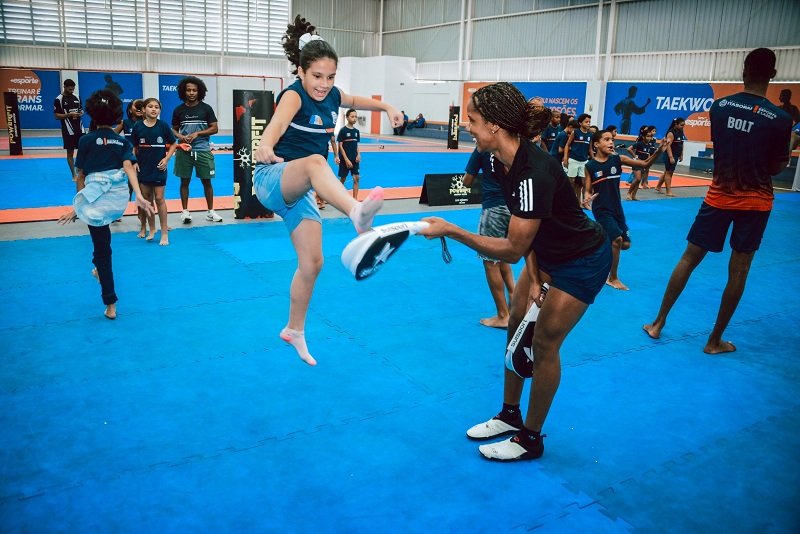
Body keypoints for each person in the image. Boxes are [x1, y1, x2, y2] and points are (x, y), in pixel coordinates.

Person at [419, 82, 611, 461]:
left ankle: (531, 439)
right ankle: (509, 415)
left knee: (544, 344)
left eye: (472, 120)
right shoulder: (496, 160)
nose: (468, 127)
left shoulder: (533, 172)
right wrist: (536, 277)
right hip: (546, 255)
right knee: (516, 325)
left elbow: (512, 248)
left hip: (582, 260)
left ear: (494, 125)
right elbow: (530, 234)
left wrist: (452, 230)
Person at [252, 15, 403, 367]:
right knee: (317, 162)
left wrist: (387, 106)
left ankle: (294, 329)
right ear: (301, 72)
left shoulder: (334, 96)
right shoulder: (294, 95)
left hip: (300, 192)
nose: (324, 84)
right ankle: (356, 212)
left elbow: (356, 100)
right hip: (272, 178)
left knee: (313, 263)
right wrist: (265, 144)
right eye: (317, 76)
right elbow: (276, 124)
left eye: (331, 77)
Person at [644, 48, 792, 354]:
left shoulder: (720, 107)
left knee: (688, 259)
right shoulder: (780, 118)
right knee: (739, 270)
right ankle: (714, 341)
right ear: (773, 75)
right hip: (756, 201)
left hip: (719, 195)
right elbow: (777, 167)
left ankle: (657, 323)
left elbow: (724, 145)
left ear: (744, 70)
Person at [57, 90, 154, 319]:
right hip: (117, 200)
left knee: (102, 249)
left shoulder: (86, 140)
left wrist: (79, 206)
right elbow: (129, 167)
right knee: (103, 249)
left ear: (92, 114)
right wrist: (139, 195)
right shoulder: (121, 141)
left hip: (95, 202)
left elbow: (81, 176)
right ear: (116, 116)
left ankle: (111, 304)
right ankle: (99, 271)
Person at [583, 129, 664, 290]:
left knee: (625, 244)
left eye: (612, 140)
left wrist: (659, 151)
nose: (611, 142)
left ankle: (597, 242)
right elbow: (587, 189)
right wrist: (586, 197)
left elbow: (645, 164)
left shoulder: (618, 159)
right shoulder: (590, 166)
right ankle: (612, 278)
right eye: (606, 139)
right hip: (602, 209)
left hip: (617, 208)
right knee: (617, 240)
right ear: (596, 144)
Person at [462, 149, 515, 329]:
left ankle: (503, 315)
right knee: (503, 253)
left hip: (494, 206)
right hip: (515, 206)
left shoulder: (482, 148)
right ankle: (514, 298)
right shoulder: (511, 145)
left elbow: (467, 181)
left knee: (490, 259)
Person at [171, 76, 222, 224]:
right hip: (184, 150)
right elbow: (173, 129)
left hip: (203, 150)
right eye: (188, 90)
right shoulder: (178, 110)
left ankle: (210, 211)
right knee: (184, 182)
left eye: (194, 90)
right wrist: (180, 136)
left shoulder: (206, 109)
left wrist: (198, 134)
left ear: (199, 92)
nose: (191, 93)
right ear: (184, 92)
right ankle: (185, 212)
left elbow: (214, 128)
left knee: (207, 182)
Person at [132, 97, 178, 245]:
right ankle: (152, 229)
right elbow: (133, 147)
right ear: (143, 110)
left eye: (156, 107)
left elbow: (173, 144)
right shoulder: (138, 127)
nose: (153, 109)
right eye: (150, 106)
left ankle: (164, 232)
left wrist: (167, 159)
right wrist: (134, 162)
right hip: (143, 168)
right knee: (147, 199)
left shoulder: (163, 126)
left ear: (159, 110)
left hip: (159, 168)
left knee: (159, 199)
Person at [53, 79, 84, 181]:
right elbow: (56, 116)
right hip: (68, 130)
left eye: (73, 89)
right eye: (70, 89)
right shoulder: (59, 99)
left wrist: (81, 113)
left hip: (80, 128)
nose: (72, 91)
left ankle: (81, 172)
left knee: (83, 151)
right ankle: (74, 175)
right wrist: (69, 115)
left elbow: (81, 109)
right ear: (65, 87)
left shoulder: (77, 97)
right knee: (70, 153)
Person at [563, 113, 593, 198]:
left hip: (584, 161)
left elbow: (590, 149)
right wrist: (565, 158)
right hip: (573, 160)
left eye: (589, 122)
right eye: (586, 122)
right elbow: (567, 145)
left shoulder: (590, 135)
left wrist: (594, 159)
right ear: (580, 123)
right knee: (571, 181)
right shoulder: (575, 132)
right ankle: (570, 198)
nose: (588, 123)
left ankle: (584, 200)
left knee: (584, 182)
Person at [654, 117, 686, 196]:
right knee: (669, 173)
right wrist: (671, 157)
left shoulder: (681, 132)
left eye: (683, 125)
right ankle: (668, 191)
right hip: (670, 155)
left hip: (676, 154)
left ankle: (658, 187)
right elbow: (668, 145)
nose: (683, 127)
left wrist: (681, 154)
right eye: (681, 125)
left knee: (666, 171)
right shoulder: (671, 133)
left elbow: (681, 143)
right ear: (676, 124)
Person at [625, 125, 657, 200]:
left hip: (643, 164)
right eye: (647, 136)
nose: (649, 138)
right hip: (636, 163)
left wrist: (648, 161)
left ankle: (634, 195)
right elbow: (629, 149)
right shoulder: (639, 143)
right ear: (643, 137)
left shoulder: (649, 145)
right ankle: (629, 193)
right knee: (638, 178)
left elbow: (648, 155)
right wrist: (636, 157)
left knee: (638, 180)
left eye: (650, 137)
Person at [337, 108, 362, 199]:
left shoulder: (356, 131)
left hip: (354, 159)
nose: (354, 118)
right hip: (345, 159)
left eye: (355, 116)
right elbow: (340, 146)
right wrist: (346, 159)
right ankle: (336, 196)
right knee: (343, 178)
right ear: (347, 118)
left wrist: (358, 154)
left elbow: (356, 145)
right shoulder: (343, 131)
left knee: (356, 178)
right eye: (352, 116)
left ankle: (355, 200)